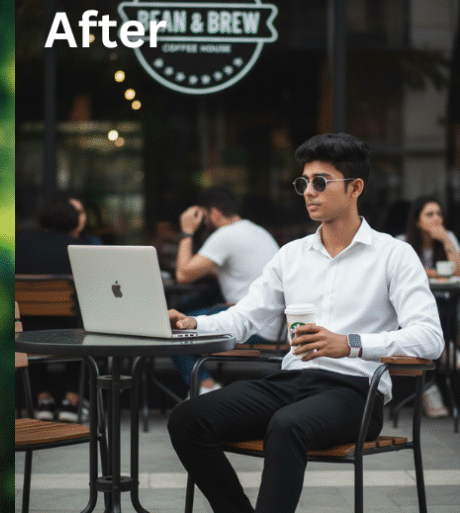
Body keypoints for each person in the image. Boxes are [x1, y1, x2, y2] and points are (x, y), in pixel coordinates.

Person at [167, 133, 443, 513]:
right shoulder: (292, 255)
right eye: (304, 182)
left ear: (355, 187)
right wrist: (192, 324)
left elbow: (430, 338)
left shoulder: (394, 255)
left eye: (320, 182)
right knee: (187, 419)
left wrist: (351, 343)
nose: (309, 192)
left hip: (356, 392)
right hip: (291, 382)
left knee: (287, 425)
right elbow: (246, 316)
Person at [173, 186, 280, 394]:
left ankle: (206, 389)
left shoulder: (225, 235)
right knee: (186, 305)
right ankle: (204, 385)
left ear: (214, 214)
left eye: (204, 219)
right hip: (274, 323)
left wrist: (187, 231)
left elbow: (183, 275)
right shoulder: (256, 230)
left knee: (177, 330)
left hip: (256, 326)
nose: (204, 225)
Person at [16, 195, 90, 422]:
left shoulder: (20, 244)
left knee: (30, 330)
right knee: (83, 328)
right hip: (70, 328)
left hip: (27, 329)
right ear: (74, 222)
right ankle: (71, 401)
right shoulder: (79, 248)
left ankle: (43, 401)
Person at [397, 196, 460, 417]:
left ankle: (435, 377)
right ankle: (446, 351)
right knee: (432, 309)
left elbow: (458, 271)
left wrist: (446, 240)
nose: (436, 219)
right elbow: (402, 274)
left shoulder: (448, 238)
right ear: (417, 220)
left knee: (445, 307)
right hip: (411, 306)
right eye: (430, 214)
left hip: (445, 301)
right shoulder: (402, 242)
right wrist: (433, 274)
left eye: (439, 214)